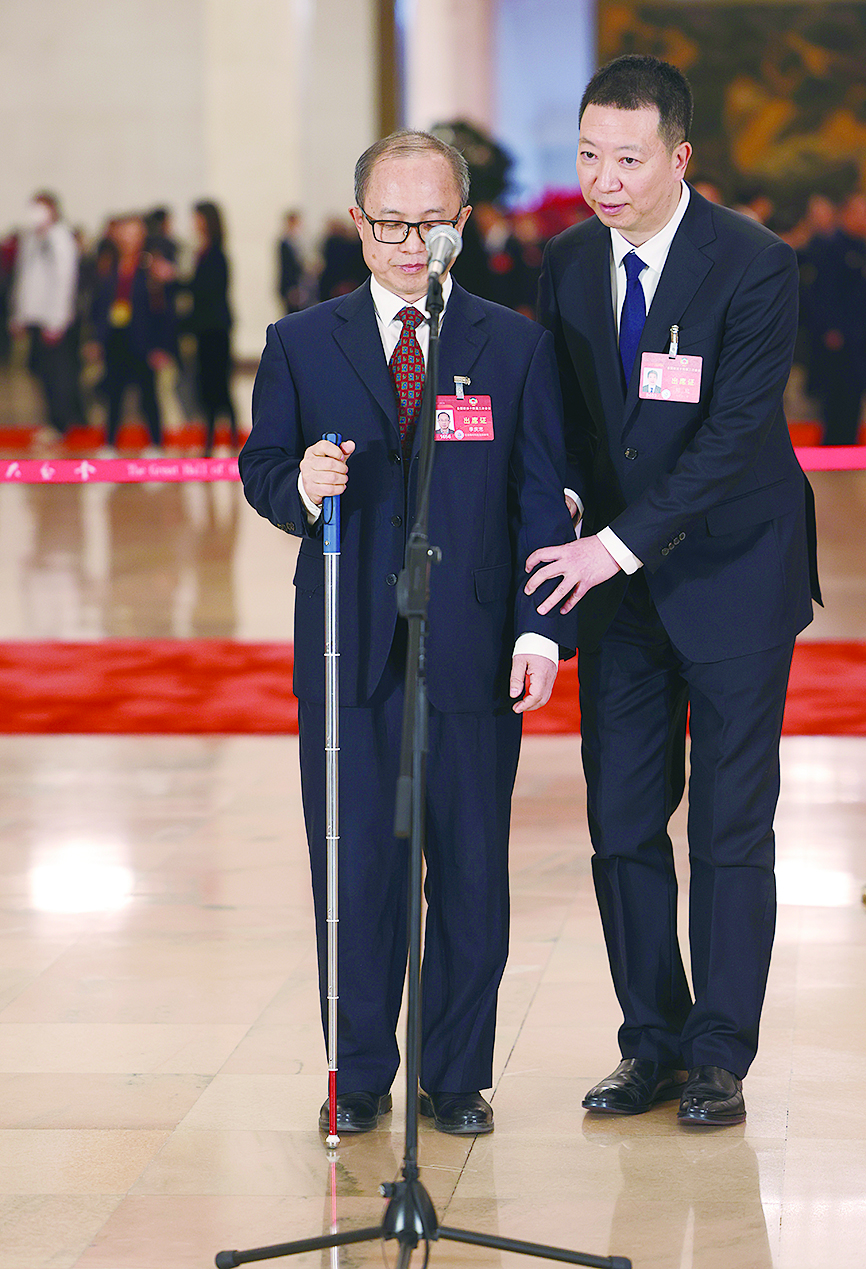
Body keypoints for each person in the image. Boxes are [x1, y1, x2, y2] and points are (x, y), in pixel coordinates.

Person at [240, 129, 576, 1136]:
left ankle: (455, 1075)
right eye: (389, 223)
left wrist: (539, 634)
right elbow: (261, 468)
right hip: (348, 654)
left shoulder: (511, 346)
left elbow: (540, 498)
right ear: (357, 223)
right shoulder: (301, 342)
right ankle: (356, 1073)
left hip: (471, 650)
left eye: (430, 223)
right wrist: (300, 485)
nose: (408, 243)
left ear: (462, 224)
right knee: (354, 875)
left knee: (469, 874)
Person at [529, 55, 820, 1127]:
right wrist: (562, 495)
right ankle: (648, 1041)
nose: (603, 180)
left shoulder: (753, 263)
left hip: (734, 573)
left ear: (679, 157)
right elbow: (562, 413)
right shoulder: (566, 262)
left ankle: (717, 1055)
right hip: (619, 595)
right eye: (587, 157)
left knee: (730, 828)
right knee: (619, 821)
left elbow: (732, 436)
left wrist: (611, 545)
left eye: (626, 159)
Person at [88, 214, 172, 453]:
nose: (129, 239)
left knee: (148, 395)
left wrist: (161, 346)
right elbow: (99, 306)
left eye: (134, 234)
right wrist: (96, 339)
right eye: (125, 233)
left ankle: (155, 443)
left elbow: (162, 311)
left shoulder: (150, 267)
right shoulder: (108, 266)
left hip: (143, 341)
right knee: (113, 394)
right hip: (116, 339)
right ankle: (110, 443)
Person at [10, 192, 81, 442]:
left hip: (54, 321)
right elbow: (24, 279)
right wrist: (19, 315)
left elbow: (65, 281)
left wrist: (57, 321)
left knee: (58, 374)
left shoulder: (60, 238)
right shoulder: (31, 238)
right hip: (34, 318)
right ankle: (55, 419)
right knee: (39, 371)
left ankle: (62, 422)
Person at [190, 200, 238, 455]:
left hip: (215, 329)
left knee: (218, 385)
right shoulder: (205, 251)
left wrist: (176, 280)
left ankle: (228, 439)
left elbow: (207, 290)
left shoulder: (216, 254)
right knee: (209, 386)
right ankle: (212, 440)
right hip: (207, 328)